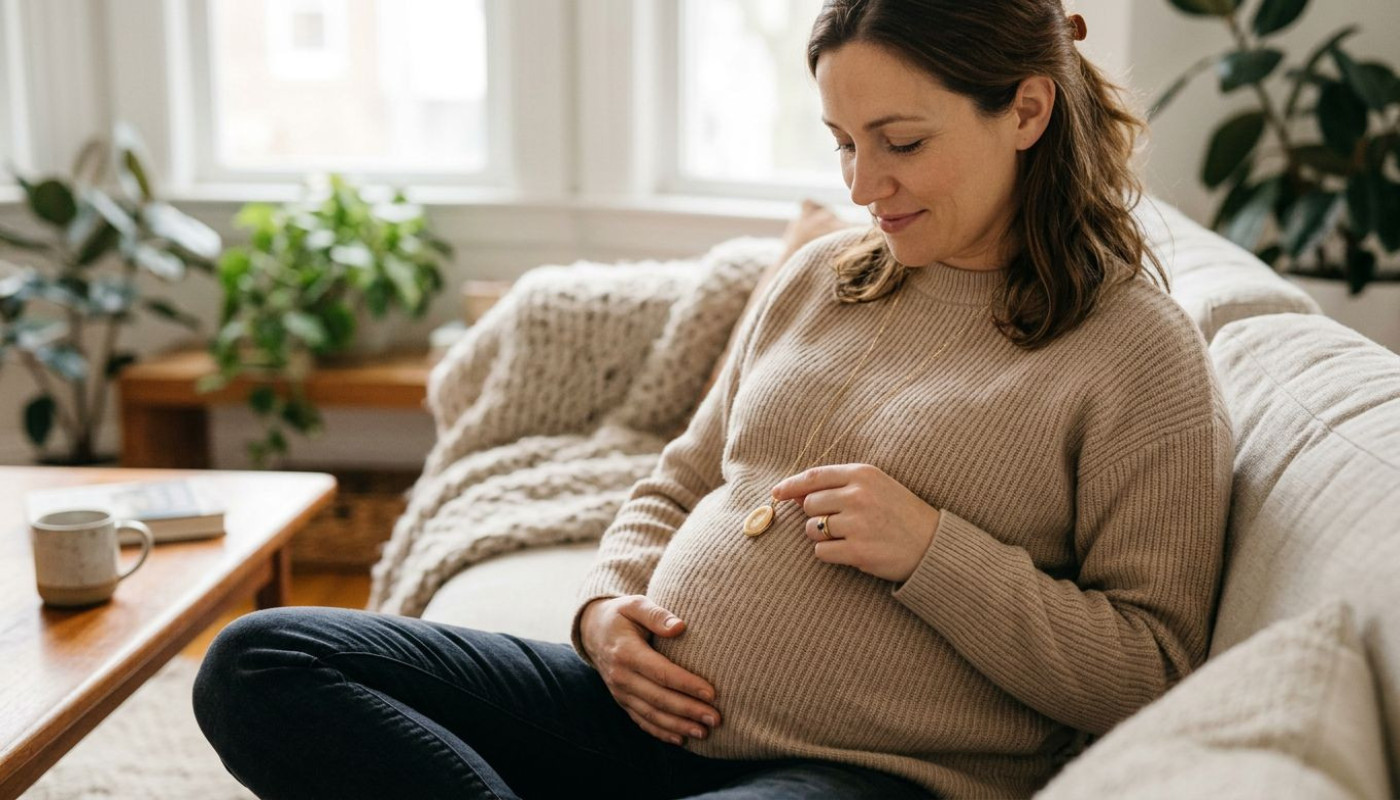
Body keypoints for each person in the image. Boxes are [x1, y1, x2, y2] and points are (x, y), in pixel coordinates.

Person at [192, 1, 1233, 797]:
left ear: (1026, 109)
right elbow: (681, 476)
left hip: (867, 773)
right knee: (259, 659)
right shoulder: (824, 274)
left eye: (900, 141)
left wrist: (932, 550)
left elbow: (1149, 665)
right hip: (629, 718)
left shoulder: (1136, 352)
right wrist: (602, 607)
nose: (864, 184)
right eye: (841, 140)